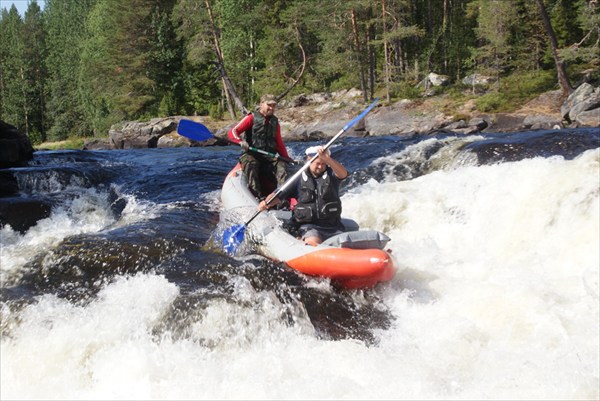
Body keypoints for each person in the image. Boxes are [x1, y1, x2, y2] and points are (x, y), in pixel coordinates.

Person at [258, 145, 349, 246]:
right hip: (310, 227)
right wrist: (266, 203)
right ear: (309, 159)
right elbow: (279, 195)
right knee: (313, 242)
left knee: (344, 245)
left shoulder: (332, 174)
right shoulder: (298, 178)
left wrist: (328, 159)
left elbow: (343, 174)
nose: (320, 167)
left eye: (324, 164)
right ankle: (303, 241)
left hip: (334, 226)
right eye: (318, 163)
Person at [227, 94, 291, 199]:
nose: (271, 108)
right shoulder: (251, 118)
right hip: (251, 154)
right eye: (269, 105)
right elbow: (233, 131)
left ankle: (281, 199)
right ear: (261, 104)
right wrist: (239, 141)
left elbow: (279, 144)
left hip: (269, 157)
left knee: (281, 166)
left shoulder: (275, 122)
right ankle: (255, 196)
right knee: (251, 163)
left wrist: (287, 158)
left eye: (274, 105)